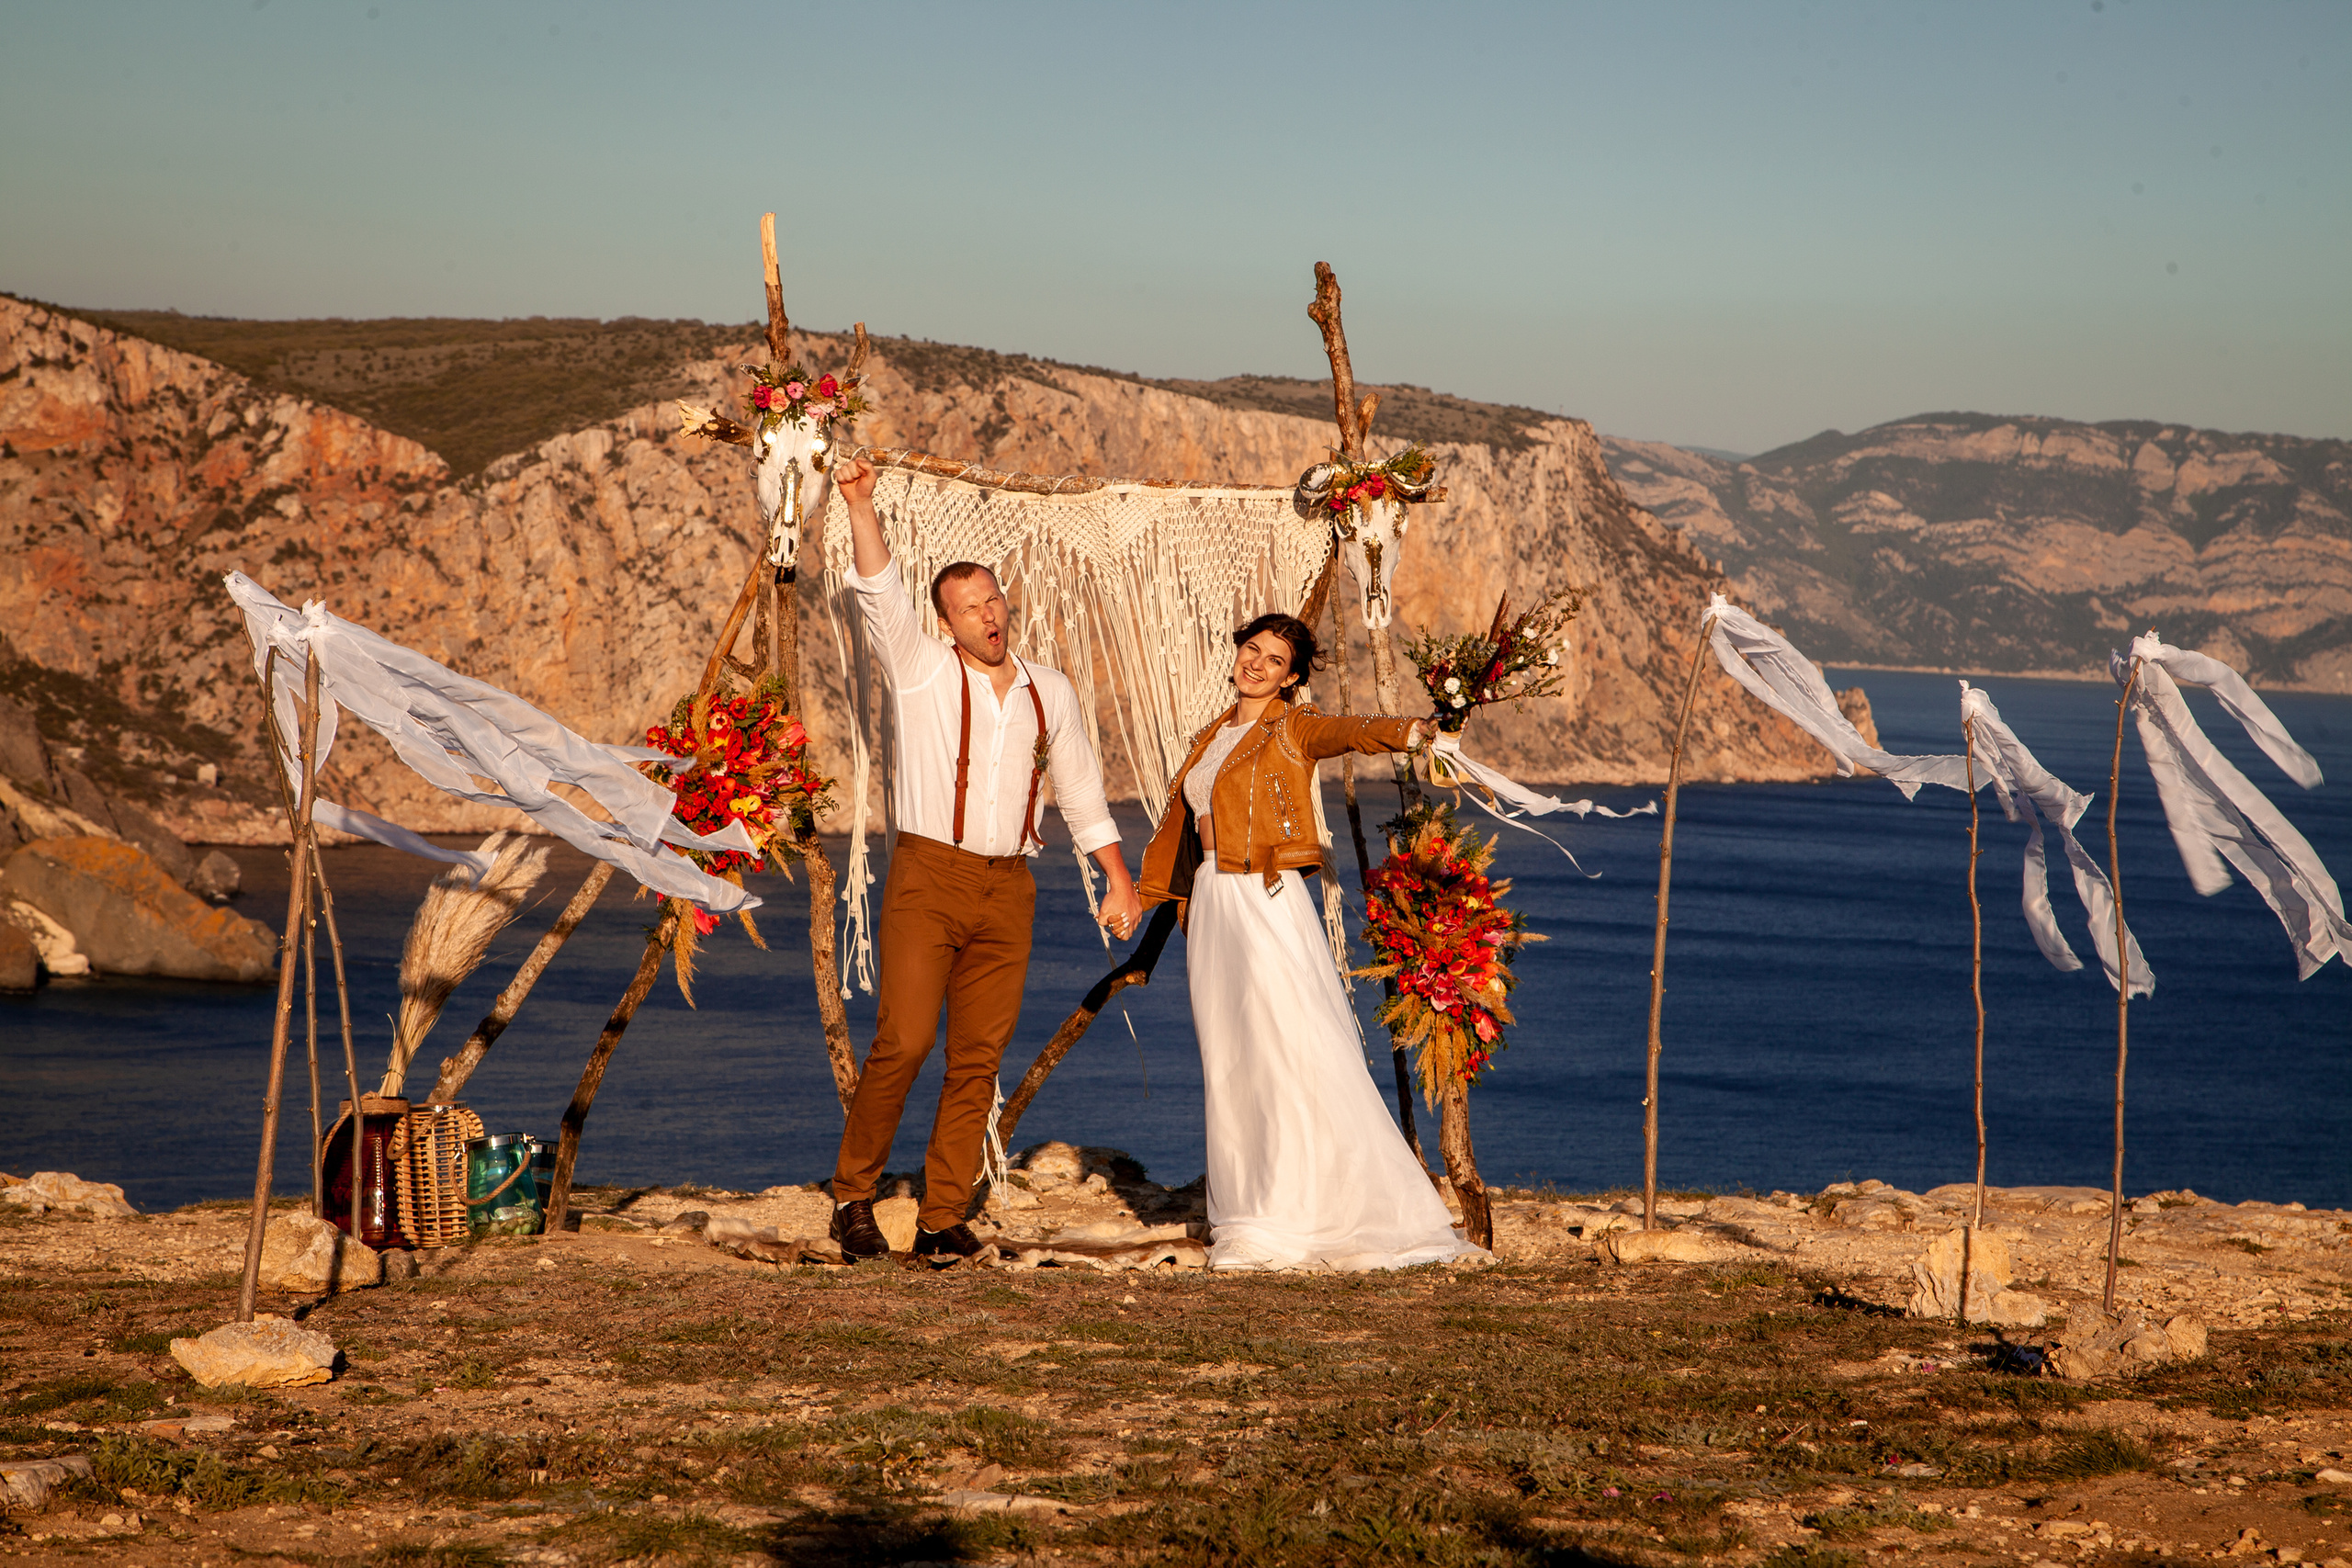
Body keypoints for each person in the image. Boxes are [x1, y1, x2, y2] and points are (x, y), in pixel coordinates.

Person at [827, 456, 1144, 1265]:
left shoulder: (1051, 690)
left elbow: (1080, 794)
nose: (987, 616)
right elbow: (879, 593)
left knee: (977, 1057)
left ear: (1006, 603)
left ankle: (941, 1213)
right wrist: (861, 504)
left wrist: (1116, 875)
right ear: (949, 623)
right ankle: (853, 1197)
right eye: (968, 608)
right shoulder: (922, 669)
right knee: (904, 1039)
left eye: (993, 599)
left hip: (1011, 884)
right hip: (930, 875)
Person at [1136, 613, 1488, 1271]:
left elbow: (1344, 733)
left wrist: (1411, 730)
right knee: (1232, 1057)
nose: (1258, 664)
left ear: (1292, 677)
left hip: (1264, 899)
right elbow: (1183, 824)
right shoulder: (1213, 733)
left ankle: (1293, 1215)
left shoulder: (1291, 726)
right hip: (1214, 898)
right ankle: (1249, 1209)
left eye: (1275, 659)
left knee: (1292, 1048)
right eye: (1252, 650)